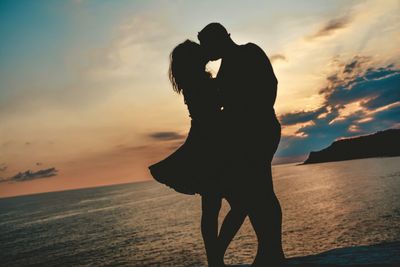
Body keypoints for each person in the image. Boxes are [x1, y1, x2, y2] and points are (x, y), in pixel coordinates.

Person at [148, 40, 245, 267]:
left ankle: (215, 259)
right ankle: (216, 258)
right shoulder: (196, 82)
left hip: (207, 141)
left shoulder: (194, 81)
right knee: (231, 205)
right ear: (192, 59)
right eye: (197, 50)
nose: (203, 50)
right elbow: (218, 101)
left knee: (214, 207)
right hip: (209, 144)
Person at [198, 23, 285, 266]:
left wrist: (252, 115)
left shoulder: (250, 51)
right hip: (246, 135)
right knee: (257, 193)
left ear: (220, 40)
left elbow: (271, 86)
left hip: (261, 129)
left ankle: (273, 252)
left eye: (207, 46)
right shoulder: (224, 68)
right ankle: (268, 250)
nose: (206, 52)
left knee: (262, 191)